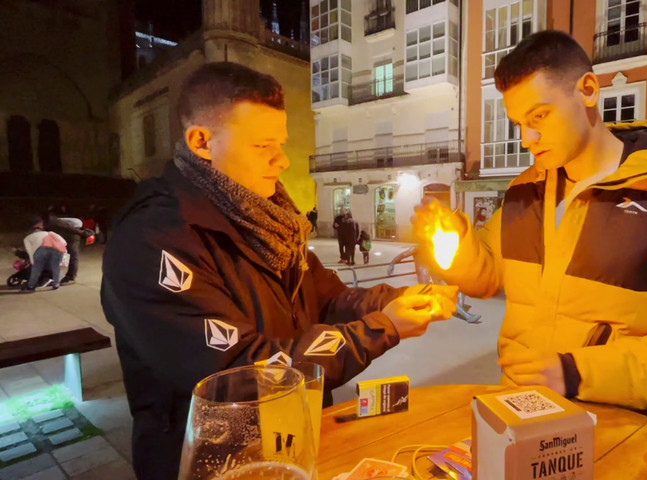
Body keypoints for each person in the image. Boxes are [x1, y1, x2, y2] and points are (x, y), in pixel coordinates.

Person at [100, 62, 457, 480]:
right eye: (262, 146)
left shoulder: (271, 223)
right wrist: (381, 328)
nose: (283, 160)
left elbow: (328, 297)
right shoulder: (152, 239)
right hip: (210, 463)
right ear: (202, 141)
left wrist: (393, 300)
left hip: (295, 445)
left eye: (281, 143)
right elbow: (245, 373)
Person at [412, 30, 647, 419]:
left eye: (539, 115)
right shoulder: (525, 190)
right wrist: (452, 240)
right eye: (519, 123)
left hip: (613, 430)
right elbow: (487, 275)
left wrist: (577, 373)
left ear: (588, 90)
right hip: (516, 414)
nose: (528, 138)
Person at [20, 215, 66, 293]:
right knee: (56, 267)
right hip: (56, 249)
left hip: (41, 250)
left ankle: (31, 286)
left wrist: (32, 261)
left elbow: (30, 251)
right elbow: (64, 242)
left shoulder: (27, 238)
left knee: (37, 269)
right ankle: (56, 285)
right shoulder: (50, 233)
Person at [44, 212, 86, 285]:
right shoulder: (48, 223)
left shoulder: (55, 222)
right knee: (63, 253)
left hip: (73, 231)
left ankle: (71, 277)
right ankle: (57, 274)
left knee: (73, 255)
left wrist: (81, 233)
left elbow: (69, 228)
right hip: (67, 232)